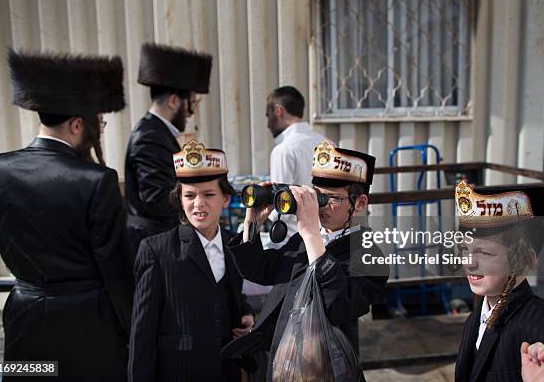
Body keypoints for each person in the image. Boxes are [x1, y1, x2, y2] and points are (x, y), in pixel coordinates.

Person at [0, 49, 133, 381]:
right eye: (100, 123)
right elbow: (118, 272)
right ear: (77, 124)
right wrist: (135, 331)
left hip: (23, 318)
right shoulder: (97, 180)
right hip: (89, 331)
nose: (101, 129)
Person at [221, 139, 388, 379]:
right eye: (317, 196)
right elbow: (260, 271)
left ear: (359, 204)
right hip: (283, 363)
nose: (320, 206)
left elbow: (337, 305)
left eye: (333, 199)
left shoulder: (370, 256)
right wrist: (253, 223)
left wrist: (310, 234)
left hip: (326, 369)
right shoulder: (305, 240)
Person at [129, 138, 255, 382]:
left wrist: (245, 313)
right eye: (189, 196)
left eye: (209, 194)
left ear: (226, 199)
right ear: (180, 199)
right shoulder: (155, 251)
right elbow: (141, 333)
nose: (199, 204)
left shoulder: (234, 244)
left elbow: (229, 297)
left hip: (225, 371)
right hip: (179, 371)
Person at [454, 179, 544, 382]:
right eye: (465, 250)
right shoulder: (476, 318)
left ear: (525, 260)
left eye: (484, 252)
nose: (470, 262)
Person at [125, 43, 212, 255]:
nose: (191, 111)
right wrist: (199, 197)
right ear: (174, 101)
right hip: (153, 242)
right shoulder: (150, 137)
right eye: (190, 102)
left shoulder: (156, 132)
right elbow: (156, 200)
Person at [266, 86, 325, 240]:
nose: (268, 124)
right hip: (328, 235)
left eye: (268, 116)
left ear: (278, 111)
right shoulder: (328, 143)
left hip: (295, 240)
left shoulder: (283, 150)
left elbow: (279, 209)